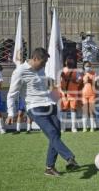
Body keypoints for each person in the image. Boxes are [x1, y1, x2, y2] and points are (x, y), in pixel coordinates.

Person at [6, 47, 80, 176]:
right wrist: (11, 113)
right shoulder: (20, 71)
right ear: (35, 59)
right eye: (43, 62)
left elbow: (44, 83)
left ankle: (49, 168)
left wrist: (52, 84)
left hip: (49, 104)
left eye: (45, 63)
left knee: (56, 134)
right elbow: (12, 93)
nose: (44, 65)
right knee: (51, 132)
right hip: (34, 107)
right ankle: (70, 158)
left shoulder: (40, 69)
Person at [60, 56, 82, 133]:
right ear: (65, 62)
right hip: (64, 93)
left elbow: (79, 81)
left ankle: (73, 127)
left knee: (73, 109)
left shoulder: (76, 71)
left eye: (71, 60)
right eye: (68, 60)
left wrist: (70, 79)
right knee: (64, 109)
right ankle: (63, 127)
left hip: (73, 93)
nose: (69, 62)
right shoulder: (62, 70)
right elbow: (59, 82)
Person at [81, 61, 97, 132]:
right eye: (86, 66)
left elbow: (96, 84)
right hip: (84, 94)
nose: (88, 67)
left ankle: (92, 128)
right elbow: (79, 84)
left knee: (91, 111)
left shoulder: (93, 73)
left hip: (92, 94)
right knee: (85, 111)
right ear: (84, 66)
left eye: (89, 66)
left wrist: (91, 81)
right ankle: (84, 128)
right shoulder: (82, 74)